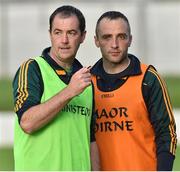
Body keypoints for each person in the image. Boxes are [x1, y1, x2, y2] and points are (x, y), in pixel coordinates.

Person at [12, 5, 99, 171]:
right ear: (50, 34)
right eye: (58, 32)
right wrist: (69, 91)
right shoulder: (32, 68)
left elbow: (91, 138)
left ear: (83, 36)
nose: (64, 40)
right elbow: (27, 123)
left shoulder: (86, 80)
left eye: (71, 33)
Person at [91, 11, 177, 171]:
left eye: (121, 36)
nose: (114, 44)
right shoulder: (85, 82)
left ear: (130, 39)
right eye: (107, 37)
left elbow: (167, 134)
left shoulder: (148, 79)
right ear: (96, 41)